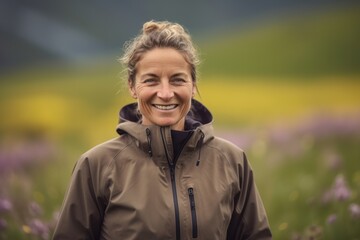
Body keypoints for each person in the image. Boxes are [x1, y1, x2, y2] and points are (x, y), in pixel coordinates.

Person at [53, 20, 272, 240]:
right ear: (132, 87)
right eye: (151, 80)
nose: (166, 93)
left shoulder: (232, 161)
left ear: (193, 86)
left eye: (177, 79)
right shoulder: (96, 165)